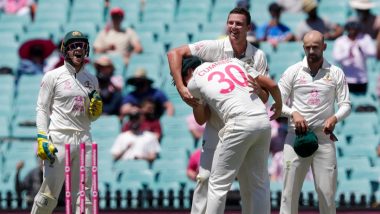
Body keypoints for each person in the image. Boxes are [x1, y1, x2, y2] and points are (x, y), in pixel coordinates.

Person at [167, 7, 269, 214]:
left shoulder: (258, 56)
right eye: (230, 22)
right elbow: (174, 53)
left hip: (244, 121)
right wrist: (181, 87)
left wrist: (261, 91)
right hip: (216, 124)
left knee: (251, 183)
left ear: (248, 27)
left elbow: (264, 96)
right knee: (205, 177)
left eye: (239, 23)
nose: (233, 27)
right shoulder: (214, 47)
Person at [178, 56, 282, 214]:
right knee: (259, 184)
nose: (184, 84)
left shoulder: (195, 81)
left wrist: (193, 99)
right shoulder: (234, 61)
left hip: (236, 125)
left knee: (217, 185)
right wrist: (279, 105)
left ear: (190, 71)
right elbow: (272, 86)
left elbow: (200, 120)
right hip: (261, 120)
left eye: (183, 78)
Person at [278, 30, 351, 214]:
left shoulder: (335, 73)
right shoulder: (293, 72)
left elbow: (346, 105)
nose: (311, 51)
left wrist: (335, 118)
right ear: (303, 47)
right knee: (289, 195)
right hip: (296, 137)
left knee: (326, 194)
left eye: (315, 47)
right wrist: (294, 113)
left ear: (324, 47)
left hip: (323, 138)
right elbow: (277, 104)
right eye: (308, 47)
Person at [32, 30, 103, 213]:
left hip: (84, 139)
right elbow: (41, 108)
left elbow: (91, 116)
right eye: (74, 45)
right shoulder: (52, 76)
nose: (79, 48)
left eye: (82, 45)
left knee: (84, 196)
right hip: (59, 138)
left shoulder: (92, 79)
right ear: (65, 50)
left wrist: (95, 112)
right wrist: (42, 137)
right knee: (49, 195)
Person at [333, 21, 376, 95]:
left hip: (362, 79)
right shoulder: (340, 41)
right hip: (347, 78)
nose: (353, 31)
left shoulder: (365, 38)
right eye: (350, 29)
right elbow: (336, 58)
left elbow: (373, 53)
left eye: (355, 29)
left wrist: (362, 49)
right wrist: (347, 53)